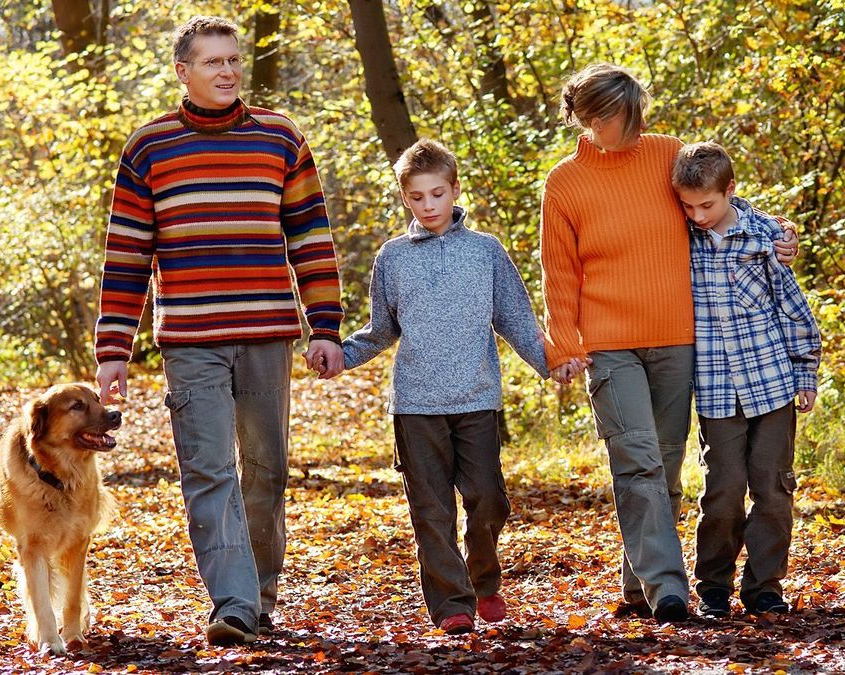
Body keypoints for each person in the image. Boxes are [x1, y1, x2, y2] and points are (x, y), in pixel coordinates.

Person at [93, 16, 344, 646]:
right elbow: (126, 255)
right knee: (209, 469)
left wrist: (326, 326)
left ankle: (257, 594)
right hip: (191, 340)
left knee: (266, 469)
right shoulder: (148, 148)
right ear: (184, 71)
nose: (228, 71)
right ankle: (233, 603)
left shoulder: (281, 138)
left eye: (234, 60)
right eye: (213, 62)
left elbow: (311, 237)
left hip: (267, 335)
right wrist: (114, 348)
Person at [538, 63, 799, 624]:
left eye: (635, 115)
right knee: (636, 464)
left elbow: (720, 204)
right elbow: (557, 273)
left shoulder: (667, 154)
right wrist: (563, 344)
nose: (630, 128)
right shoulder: (564, 182)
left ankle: (641, 587)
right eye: (616, 119)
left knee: (666, 464)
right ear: (587, 119)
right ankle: (668, 590)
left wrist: (776, 235)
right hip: (609, 344)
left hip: (680, 339)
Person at [337, 139, 581, 634]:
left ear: (454, 191)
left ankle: (484, 580)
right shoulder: (393, 258)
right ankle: (452, 604)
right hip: (416, 404)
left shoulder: (485, 251)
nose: (428, 206)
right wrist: (340, 355)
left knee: (488, 500)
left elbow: (514, 317)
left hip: (477, 398)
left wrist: (551, 362)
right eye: (417, 197)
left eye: (437, 194)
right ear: (404, 198)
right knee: (431, 510)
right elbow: (382, 330)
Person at [672, 141, 822, 617]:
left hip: (773, 383)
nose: (697, 215)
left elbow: (793, 308)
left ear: (730, 191)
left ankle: (764, 588)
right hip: (716, 390)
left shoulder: (763, 239)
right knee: (722, 491)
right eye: (688, 206)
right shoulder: (680, 239)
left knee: (773, 490)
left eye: (707, 205)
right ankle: (713, 586)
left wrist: (806, 371)